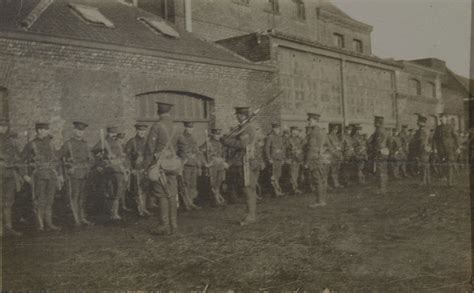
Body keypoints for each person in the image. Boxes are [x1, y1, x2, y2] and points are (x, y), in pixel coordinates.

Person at [145, 102, 180, 235]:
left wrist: (147, 166)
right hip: (173, 165)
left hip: (160, 165)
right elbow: (183, 146)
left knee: (162, 194)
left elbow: (149, 148)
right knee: (171, 193)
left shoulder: (157, 126)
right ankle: (174, 225)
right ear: (169, 112)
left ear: (158, 112)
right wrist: (178, 159)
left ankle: (164, 225)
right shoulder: (177, 127)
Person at [21, 122, 63, 231]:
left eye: (47, 129)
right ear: (39, 130)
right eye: (45, 129)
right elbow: (21, 160)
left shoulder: (51, 144)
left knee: (50, 200)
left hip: (51, 175)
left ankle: (49, 223)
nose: (47, 131)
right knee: (39, 200)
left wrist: (60, 174)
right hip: (38, 176)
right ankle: (40, 225)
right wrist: (25, 175)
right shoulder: (31, 144)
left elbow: (57, 160)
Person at [221, 106, 259, 226]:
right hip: (246, 160)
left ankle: (251, 216)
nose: (236, 117)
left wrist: (226, 141)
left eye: (237, 115)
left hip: (247, 162)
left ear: (241, 116)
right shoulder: (245, 127)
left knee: (248, 189)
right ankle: (250, 213)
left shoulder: (246, 128)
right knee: (248, 189)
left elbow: (242, 145)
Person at [58, 121, 94, 227]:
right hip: (73, 175)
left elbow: (92, 160)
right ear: (74, 131)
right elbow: (58, 159)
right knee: (74, 196)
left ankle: (82, 218)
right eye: (78, 130)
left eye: (82, 131)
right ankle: (75, 219)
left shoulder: (85, 144)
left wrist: (88, 166)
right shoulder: (68, 144)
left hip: (84, 174)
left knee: (82, 197)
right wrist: (62, 172)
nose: (80, 132)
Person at [92, 126, 129, 221]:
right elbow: (93, 154)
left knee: (119, 189)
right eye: (111, 133)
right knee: (110, 190)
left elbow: (122, 156)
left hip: (119, 168)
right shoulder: (103, 142)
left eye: (115, 133)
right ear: (108, 133)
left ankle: (114, 212)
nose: (114, 135)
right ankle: (110, 213)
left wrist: (125, 166)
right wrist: (100, 162)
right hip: (109, 169)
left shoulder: (117, 142)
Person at [124, 123, 153, 217]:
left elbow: (150, 155)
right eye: (140, 130)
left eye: (144, 131)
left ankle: (144, 207)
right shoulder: (132, 142)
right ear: (137, 131)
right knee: (138, 189)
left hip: (146, 169)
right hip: (136, 170)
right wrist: (130, 168)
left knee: (146, 188)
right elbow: (127, 157)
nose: (142, 132)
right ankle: (141, 210)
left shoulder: (148, 142)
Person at [0, 119, 23, 236]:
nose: (3, 128)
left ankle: (8, 228)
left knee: (8, 202)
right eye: (1, 126)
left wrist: (19, 170)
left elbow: (18, 156)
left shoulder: (12, 141)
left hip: (10, 174)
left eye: (5, 126)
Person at [303, 113, 330, 208]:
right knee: (322, 179)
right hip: (321, 158)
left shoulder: (313, 132)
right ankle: (322, 199)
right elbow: (328, 145)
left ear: (315, 121)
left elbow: (311, 148)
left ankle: (319, 201)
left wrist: (306, 162)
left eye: (310, 120)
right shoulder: (322, 132)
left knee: (317, 180)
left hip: (314, 159)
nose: (308, 122)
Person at [176, 121, 202, 210]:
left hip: (193, 164)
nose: (190, 129)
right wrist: (184, 157)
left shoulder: (193, 138)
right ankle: (186, 203)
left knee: (192, 184)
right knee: (185, 183)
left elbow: (196, 150)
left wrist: (197, 158)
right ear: (185, 128)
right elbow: (177, 151)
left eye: (191, 128)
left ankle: (191, 202)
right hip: (185, 164)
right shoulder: (180, 137)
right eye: (188, 127)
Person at [201, 128, 228, 206]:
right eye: (216, 134)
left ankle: (218, 197)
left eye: (219, 134)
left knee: (219, 181)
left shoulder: (221, 143)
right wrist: (206, 163)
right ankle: (216, 199)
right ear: (213, 135)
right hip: (213, 163)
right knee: (213, 181)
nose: (218, 136)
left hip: (220, 163)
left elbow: (223, 154)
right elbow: (200, 152)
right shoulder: (208, 143)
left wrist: (224, 161)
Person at [432, 113, 459, 187]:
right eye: (440, 118)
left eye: (442, 118)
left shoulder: (451, 127)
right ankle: (445, 177)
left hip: (449, 149)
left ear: (446, 119)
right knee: (443, 164)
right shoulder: (438, 128)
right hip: (441, 149)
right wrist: (434, 148)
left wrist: (458, 147)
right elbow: (434, 139)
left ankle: (449, 182)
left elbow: (455, 137)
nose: (441, 119)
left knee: (449, 164)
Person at [367, 116, 390, 194]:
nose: (374, 123)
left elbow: (375, 142)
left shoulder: (378, 131)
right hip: (385, 152)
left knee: (380, 171)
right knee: (384, 170)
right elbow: (389, 142)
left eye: (375, 122)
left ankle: (381, 189)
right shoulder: (385, 130)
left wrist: (372, 148)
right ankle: (384, 188)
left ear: (377, 123)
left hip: (379, 152)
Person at [264, 122, 285, 197]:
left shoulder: (280, 137)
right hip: (273, 159)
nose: (277, 130)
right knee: (273, 176)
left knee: (278, 175)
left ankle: (277, 190)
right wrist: (269, 158)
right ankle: (275, 191)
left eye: (278, 128)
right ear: (273, 129)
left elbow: (283, 148)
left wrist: (282, 158)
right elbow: (266, 148)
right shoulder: (270, 137)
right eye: (275, 128)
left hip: (279, 159)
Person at [412, 115, 432, 186]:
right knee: (425, 165)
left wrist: (418, 153)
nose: (417, 122)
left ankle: (423, 181)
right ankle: (427, 180)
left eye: (418, 121)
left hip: (422, 151)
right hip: (425, 150)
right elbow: (430, 141)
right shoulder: (426, 131)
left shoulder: (421, 132)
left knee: (423, 165)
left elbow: (421, 142)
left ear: (421, 123)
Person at [285, 126, 303, 194]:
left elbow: (300, 147)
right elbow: (286, 149)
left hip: (297, 158)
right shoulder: (289, 139)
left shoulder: (298, 139)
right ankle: (294, 189)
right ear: (291, 131)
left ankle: (294, 188)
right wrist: (288, 157)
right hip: (292, 158)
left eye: (296, 131)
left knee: (296, 174)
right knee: (293, 174)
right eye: (294, 131)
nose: (295, 132)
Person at [327, 124, 343, 189]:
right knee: (332, 170)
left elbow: (340, 145)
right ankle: (334, 184)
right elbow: (329, 146)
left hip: (337, 155)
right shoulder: (328, 136)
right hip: (332, 155)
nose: (335, 130)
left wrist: (339, 149)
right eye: (334, 129)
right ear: (331, 129)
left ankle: (336, 183)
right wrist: (335, 149)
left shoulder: (336, 136)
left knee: (336, 170)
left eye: (336, 129)